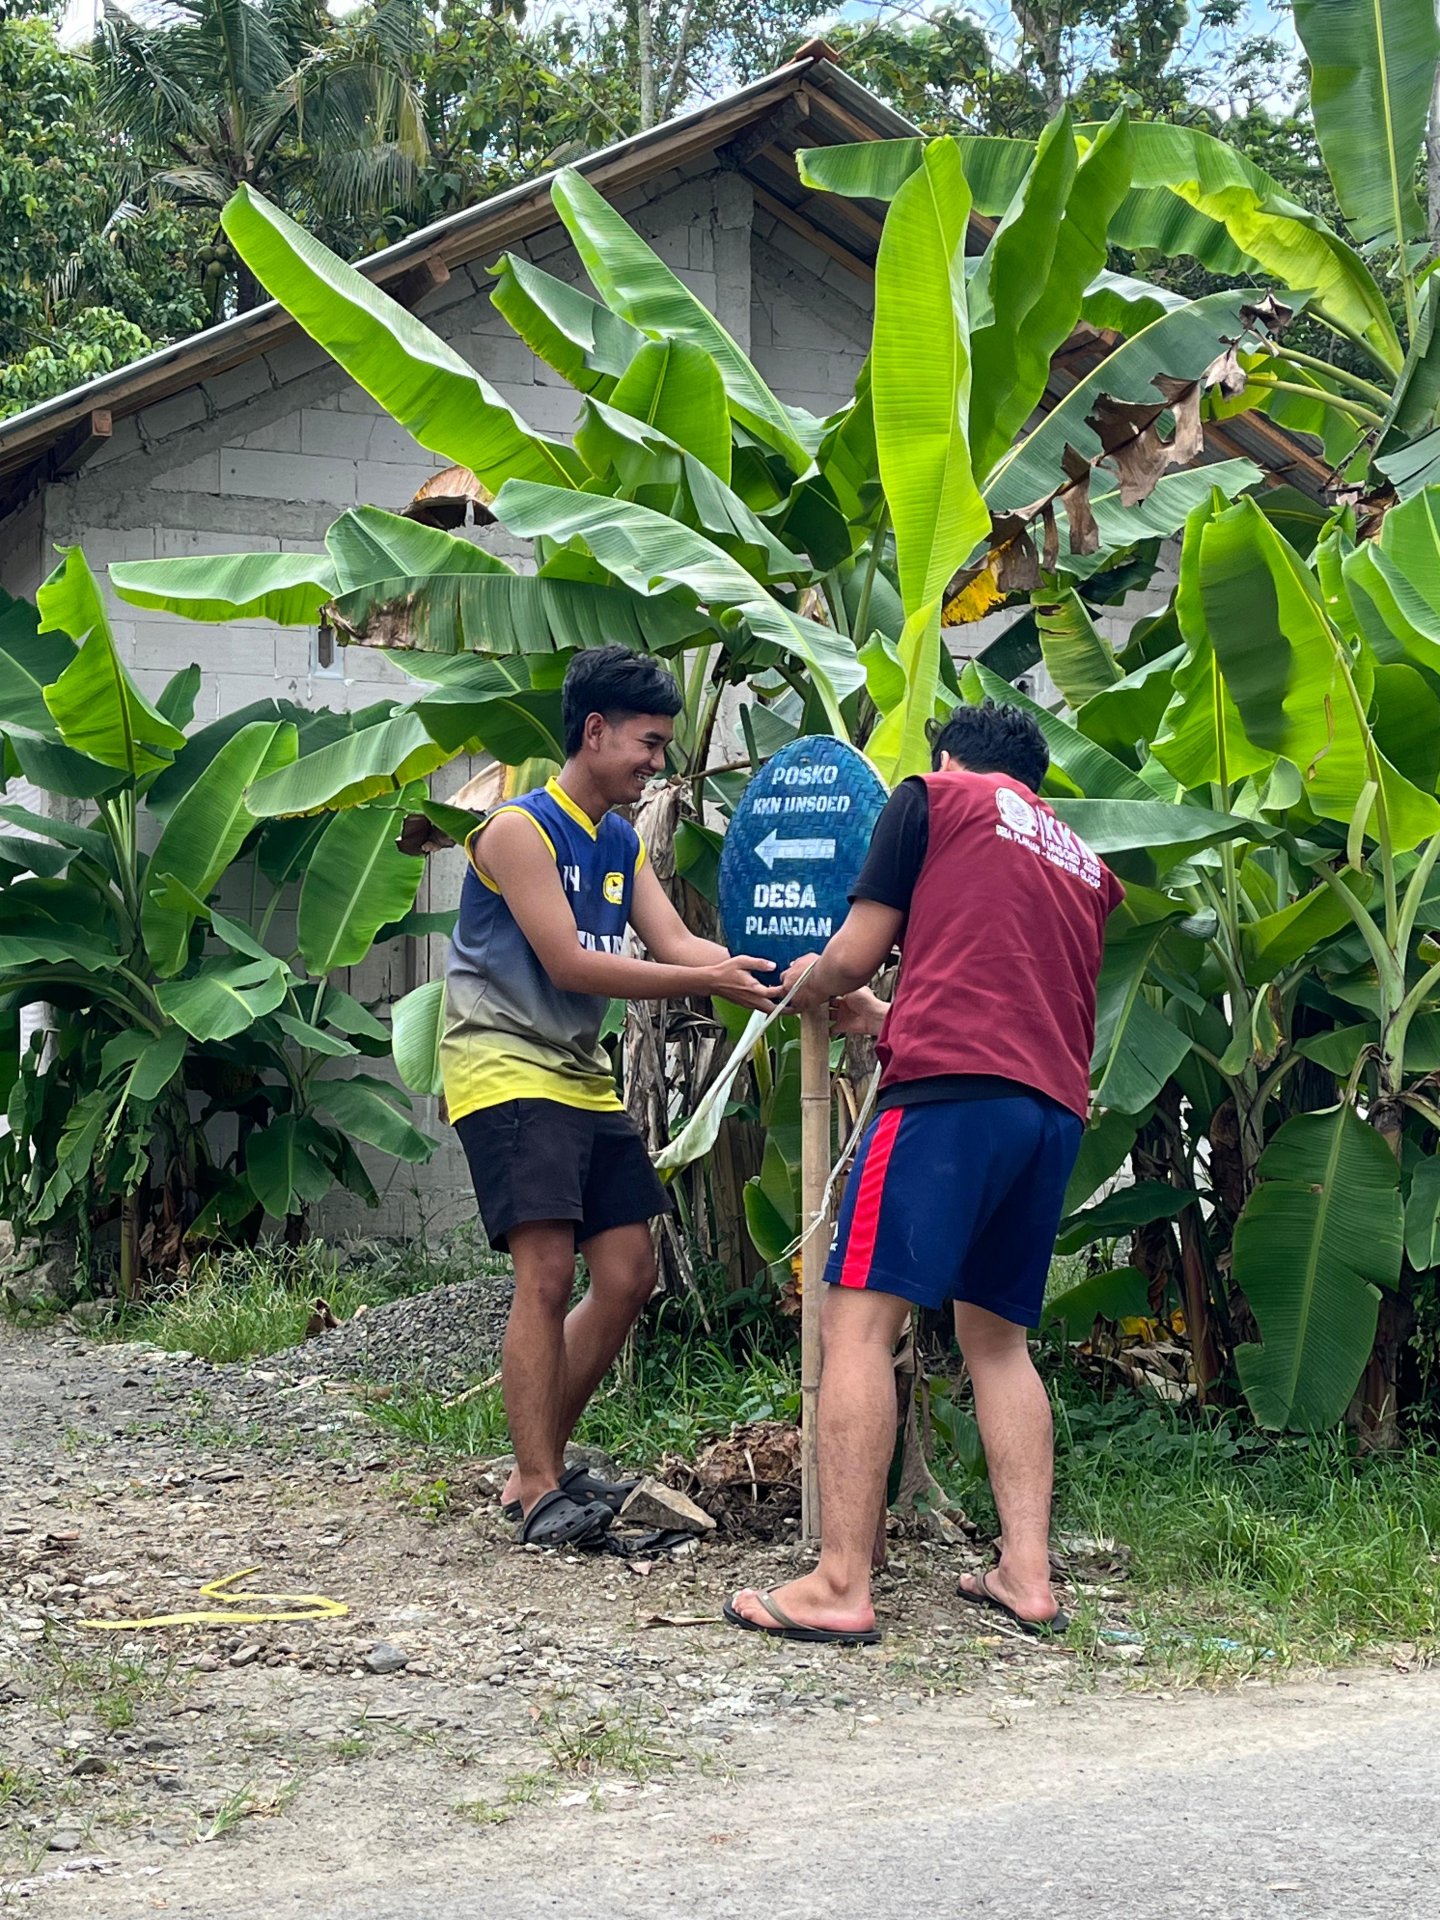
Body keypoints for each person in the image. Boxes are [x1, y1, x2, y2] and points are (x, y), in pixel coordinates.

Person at [725, 699, 1124, 1643]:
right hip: (1049, 1110)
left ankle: (839, 1584)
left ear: (951, 756)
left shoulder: (934, 797)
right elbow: (1010, 982)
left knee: (858, 1324)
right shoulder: (1076, 857)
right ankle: (1027, 1573)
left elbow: (857, 950)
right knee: (997, 1342)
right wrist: (887, 1017)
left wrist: (811, 982)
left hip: (947, 1099)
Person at [442, 645, 779, 1549]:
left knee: (627, 1274)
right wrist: (706, 986)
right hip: (504, 1066)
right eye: (648, 743)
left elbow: (677, 944)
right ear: (593, 732)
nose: (658, 764)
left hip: (578, 1078)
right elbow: (570, 961)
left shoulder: (621, 843)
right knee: (546, 1275)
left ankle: (535, 1466)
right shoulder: (517, 831)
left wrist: (780, 976)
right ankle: (540, 1484)